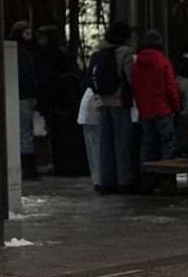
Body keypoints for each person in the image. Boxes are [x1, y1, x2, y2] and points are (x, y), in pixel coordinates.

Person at [89, 20, 137, 194]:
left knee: (105, 144)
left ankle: (105, 182)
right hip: (119, 102)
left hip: (102, 101)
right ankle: (124, 181)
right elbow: (130, 78)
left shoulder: (100, 52)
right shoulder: (124, 52)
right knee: (122, 143)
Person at [34, 25, 88, 176]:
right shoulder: (45, 55)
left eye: (43, 38)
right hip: (52, 101)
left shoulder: (59, 55)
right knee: (56, 134)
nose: (41, 42)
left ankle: (64, 164)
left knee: (62, 134)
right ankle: (59, 164)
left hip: (61, 101)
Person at [132, 29, 181, 168]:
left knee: (148, 145)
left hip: (146, 111)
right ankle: (166, 178)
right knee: (168, 144)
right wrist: (177, 110)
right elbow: (171, 89)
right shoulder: (163, 62)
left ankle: (146, 178)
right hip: (163, 110)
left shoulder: (136, 64)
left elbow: (135, 88)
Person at [9, 22, 40, 179]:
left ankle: (26, 166)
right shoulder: (23, 53)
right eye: (27, 34)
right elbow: (26, 76)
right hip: (24, 95)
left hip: (20, 94)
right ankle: (28, 168)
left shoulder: (15, 52)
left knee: (23, 130)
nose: (31, 37)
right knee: (25, 130)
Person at [77, 86, 103, 192]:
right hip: (92, 112)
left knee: (94, 150)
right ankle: (99, 180)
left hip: (90, 111)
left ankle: (98, 179)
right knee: (96, 149)